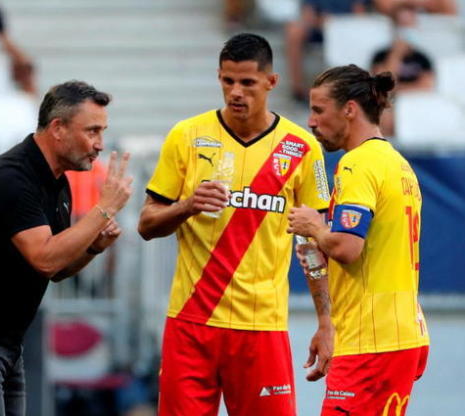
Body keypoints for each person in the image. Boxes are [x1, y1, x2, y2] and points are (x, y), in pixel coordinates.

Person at [137, 33, 331, 416]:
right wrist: (187, 206)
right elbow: (147, 222)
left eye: (247, 82)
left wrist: (326, 321)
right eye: (227, 81)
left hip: (261, 327)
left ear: (271, 82)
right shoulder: (187, 136)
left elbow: (312, 244)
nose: (235, 92)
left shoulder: (303, 148)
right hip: (191, 323)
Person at [0, 80, 133, 416]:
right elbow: (46, 258)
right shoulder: (13, 176)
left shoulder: (58, 182)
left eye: (102, 131)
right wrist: (103, 209)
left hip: (6, 337)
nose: (99, 144)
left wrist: (93, 247)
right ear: (58, 128)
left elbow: (60, 268)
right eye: (92, 131)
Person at [286, 64, 430, 416]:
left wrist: (314, 226)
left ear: (349, 109)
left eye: (319, 110)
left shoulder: (357, 165)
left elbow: (348, 248)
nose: (311, 121)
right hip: (402, 332)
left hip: (372, 341)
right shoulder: (397, 165)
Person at [285, 0, 367, 101]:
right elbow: (308, 14)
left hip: (346, 28)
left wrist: (335, 24)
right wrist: (323, 22)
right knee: (294, 31)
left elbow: (359, 16)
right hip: (318, 27)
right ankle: (298, 89)